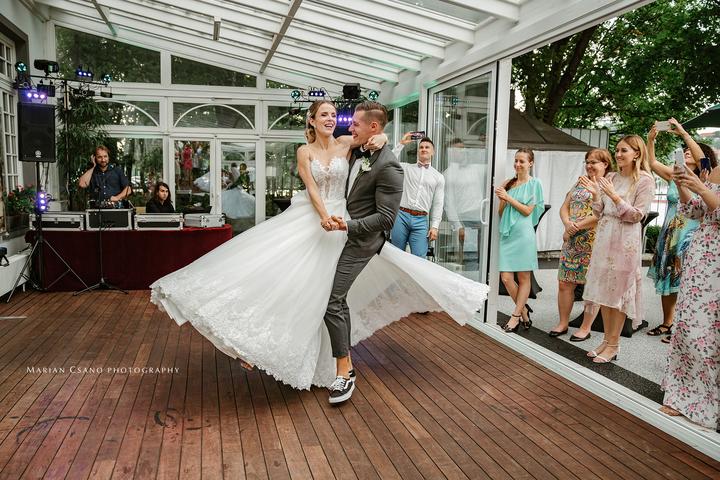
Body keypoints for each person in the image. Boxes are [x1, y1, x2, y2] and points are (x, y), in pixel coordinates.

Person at [150, 100, 489, 400]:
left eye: (333, 115)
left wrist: (385, 138)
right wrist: (324, 216)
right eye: (323, 115)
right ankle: (255, 344)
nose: (331, 119)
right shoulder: (304, 151)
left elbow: (375, 142)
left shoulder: (346, 144)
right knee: (285, 279)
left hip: (344, 224)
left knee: (323, 293)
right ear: (311, 121)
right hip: (314, 218)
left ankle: (333, 365)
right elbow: (312, 187)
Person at [660, 128, 719, 430]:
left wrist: (701, 188)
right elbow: (694, 211)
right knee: (687, 327)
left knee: (708, 334)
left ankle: (708, 402)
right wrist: (683, 184)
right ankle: (683, 395)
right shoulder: (717, 170)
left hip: (716, 261)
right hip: (700, 258)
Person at [581, 135, 655, 363]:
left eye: (624, 150)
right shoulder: (610, 177)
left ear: (637, 154)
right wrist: (596, 195)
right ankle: (606, 340)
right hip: (605, 237)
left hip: (625, 241)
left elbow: (637, 215)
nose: (618, 154)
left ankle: (614, 344)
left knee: (620, 293)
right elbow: (599, 211)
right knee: (604, 292)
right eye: (617, 150)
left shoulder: (645, 180)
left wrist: (614, 196)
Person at [646, 120, 717, 343]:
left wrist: (684, 134)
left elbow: (703, 160)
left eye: (690, 151)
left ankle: (681, 327)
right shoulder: (675, 175)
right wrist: (650, 140)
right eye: (684, 151)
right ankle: (668, 322)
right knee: (667, 277)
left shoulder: (705, 177)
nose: (686, 152)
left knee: (684, 279)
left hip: (690, 234)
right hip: (670, 232)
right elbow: (652, 162)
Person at [551, 149, 613, 339]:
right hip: (571, 241)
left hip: (594, 242)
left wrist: (575, 226)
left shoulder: (608, 184)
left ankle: (585, 328)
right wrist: (567, 224)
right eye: (587, 162)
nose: (589, 165)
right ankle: (563, 323)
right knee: (564, 283)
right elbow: (564, 206)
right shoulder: (580, 181)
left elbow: (600, 214)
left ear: (605, 164)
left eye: (594, 162)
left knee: (592, 286)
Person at [496, 148, 544, 333]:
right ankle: (523, 310)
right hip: (508, 234)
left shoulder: (535, 183)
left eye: (522, 161)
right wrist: (502, 198)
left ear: (530, 163)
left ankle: (515, 316)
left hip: (523, 234)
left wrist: (508, 197)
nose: (517, 164)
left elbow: (527, 211)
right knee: (506, 278)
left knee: (524, 278)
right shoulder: (508, 183)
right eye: (516, 160)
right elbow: (501, 212)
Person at [389, 134, 445, 257]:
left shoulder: (438, 177)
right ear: (418, 151)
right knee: (395, 255)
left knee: (420, 258)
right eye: (421, 147)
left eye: (427, 147)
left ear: (433, 152)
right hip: (401, 216)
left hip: (421, 220)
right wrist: (401, 143)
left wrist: (435, 227)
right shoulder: (406, 168)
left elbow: (438, 203)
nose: (424, 149)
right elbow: (389, 161)